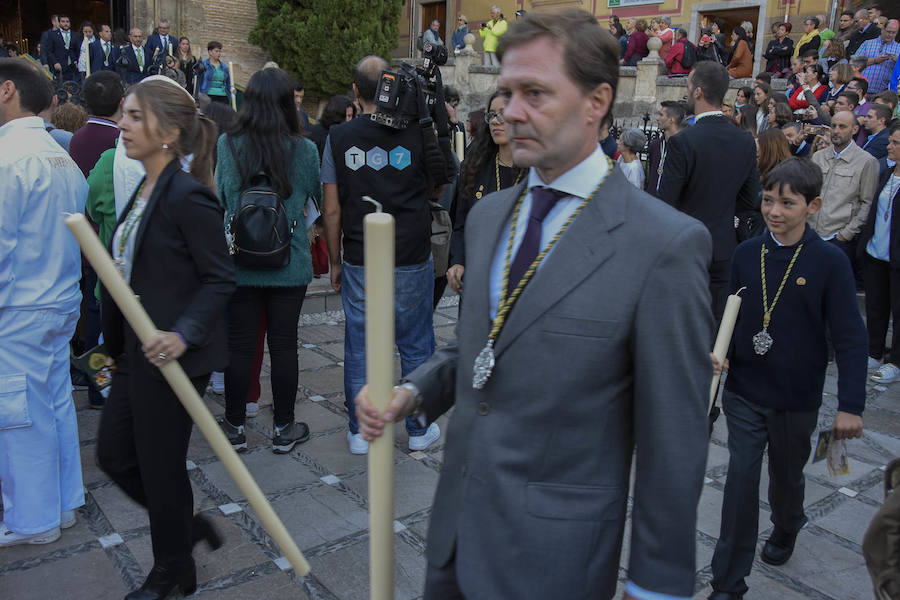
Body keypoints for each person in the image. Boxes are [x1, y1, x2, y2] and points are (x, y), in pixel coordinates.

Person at [357, 10, 713, 599]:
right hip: (453, 538)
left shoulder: (662, 245)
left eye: (534, 93)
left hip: (552, 562)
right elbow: (481, 343)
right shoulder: (494, 214)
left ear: (597, 101)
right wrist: (415, 390)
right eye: (506, 92)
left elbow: (673, 437)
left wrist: (657, 585)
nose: (510, 111)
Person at [96, 77, 232, 598]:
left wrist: (183, 334)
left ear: (169, 132)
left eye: (134, 116)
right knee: (114, 455)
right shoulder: (142, 188)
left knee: (158, 465)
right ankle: (186, 529)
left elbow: (220, 277)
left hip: (172, 358)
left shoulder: (188, 195)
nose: (122, 124)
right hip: (134, 351)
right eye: (123, 114)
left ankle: (170, 570)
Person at [709, 157, 866, 600]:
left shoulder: (828, 262)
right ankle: (728, 583)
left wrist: (850, 404)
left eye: (787, 203)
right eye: (769, 199)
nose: (774, 211)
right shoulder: (746, 253)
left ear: (812, 205)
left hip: (796, 397)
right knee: (740, 480)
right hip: (744, 391)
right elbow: (730, 315)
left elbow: (851, 338)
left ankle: (787, 521)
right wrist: (718, 352)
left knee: (786, 475)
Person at [321, 55, 446, 455]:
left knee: (360, 342)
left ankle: (362, 431)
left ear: (355, 92)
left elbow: (332, 208)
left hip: (360, 254)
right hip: (410, 250)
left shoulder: (338, 138)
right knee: (416, 341)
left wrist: (336, 259)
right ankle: (419, 428)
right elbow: (436, 187)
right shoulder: (418, 132)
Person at [0, 58, 87, 547]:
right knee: (53, 404)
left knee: (20, 413)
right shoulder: (60, 155)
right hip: (57, 298)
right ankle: (61, 501)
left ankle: (32, 519)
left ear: (8, 90)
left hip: (20, 305)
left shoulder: (10, 157)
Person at [215, 67, 319, 453]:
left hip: (240, 259)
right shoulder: (304, 148)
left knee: (240, 345)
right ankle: (284, 428)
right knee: (284, 345)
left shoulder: (228, 143)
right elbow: (317, 203)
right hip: (288, 261)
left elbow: (224, 197)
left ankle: (235, 426)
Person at [661, 61, 760, 318]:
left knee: (681, 321)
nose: (686, 92)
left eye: (688, 86)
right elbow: (751, 198)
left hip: (686, 249)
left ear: (698, 92)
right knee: (714, 324)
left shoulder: (683, 141)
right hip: (724, 246)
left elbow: (665, 204)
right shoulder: (744, 141)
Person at [447, 91, 526, 294]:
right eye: (491, 115)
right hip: (478, 279)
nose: (495, 121)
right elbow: (461, 224)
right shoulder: (475, 168)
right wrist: (458, 262)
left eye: (503, 113)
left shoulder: (539, 172)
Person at [810, 110, 879, 282]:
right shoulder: (818, 157)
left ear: (855, 129)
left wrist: (845, 234)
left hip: (838, 239)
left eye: (842, 126)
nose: (836, 130)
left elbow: (867, 203)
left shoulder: (866, 162)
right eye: (833, 126)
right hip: (811, 235)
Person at [859, 122, 900, 383]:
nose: (889, 146)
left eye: (896, 143)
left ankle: (896, 361)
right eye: (891, 141)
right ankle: (874, 350)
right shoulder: (886, 173)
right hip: (876, 251)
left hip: (897, 257)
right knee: (876, 305)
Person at [646, 100, 685, 196]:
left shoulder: (684, 148)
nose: (658, 118)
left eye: (661, 115)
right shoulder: (655, 145)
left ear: (671, 120)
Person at [857, 19, 900, 95]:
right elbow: (854, 62)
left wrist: (898, 61)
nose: (890, 35)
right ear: (882, 29)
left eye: (893, 33)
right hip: (861, 90)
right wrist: (875, 60)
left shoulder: (898, 48)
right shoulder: (868, 43)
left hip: (884, 93)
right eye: (888, 31)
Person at [308, 94, 355, 159]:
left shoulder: (349, 135)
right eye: (343, 115)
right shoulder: (315, 133)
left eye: (350, 116)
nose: (347, 120)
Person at [47, 15, 80, 81]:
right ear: (59, 23)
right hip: (59, 67)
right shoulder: (52, 34)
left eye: (67, 21)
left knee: (73, 88)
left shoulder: (75, 35)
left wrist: (77, 61)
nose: (65, 23)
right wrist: (55, 62)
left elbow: (78, 50)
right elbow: (49, 51)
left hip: (73, 67)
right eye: (63, 21)